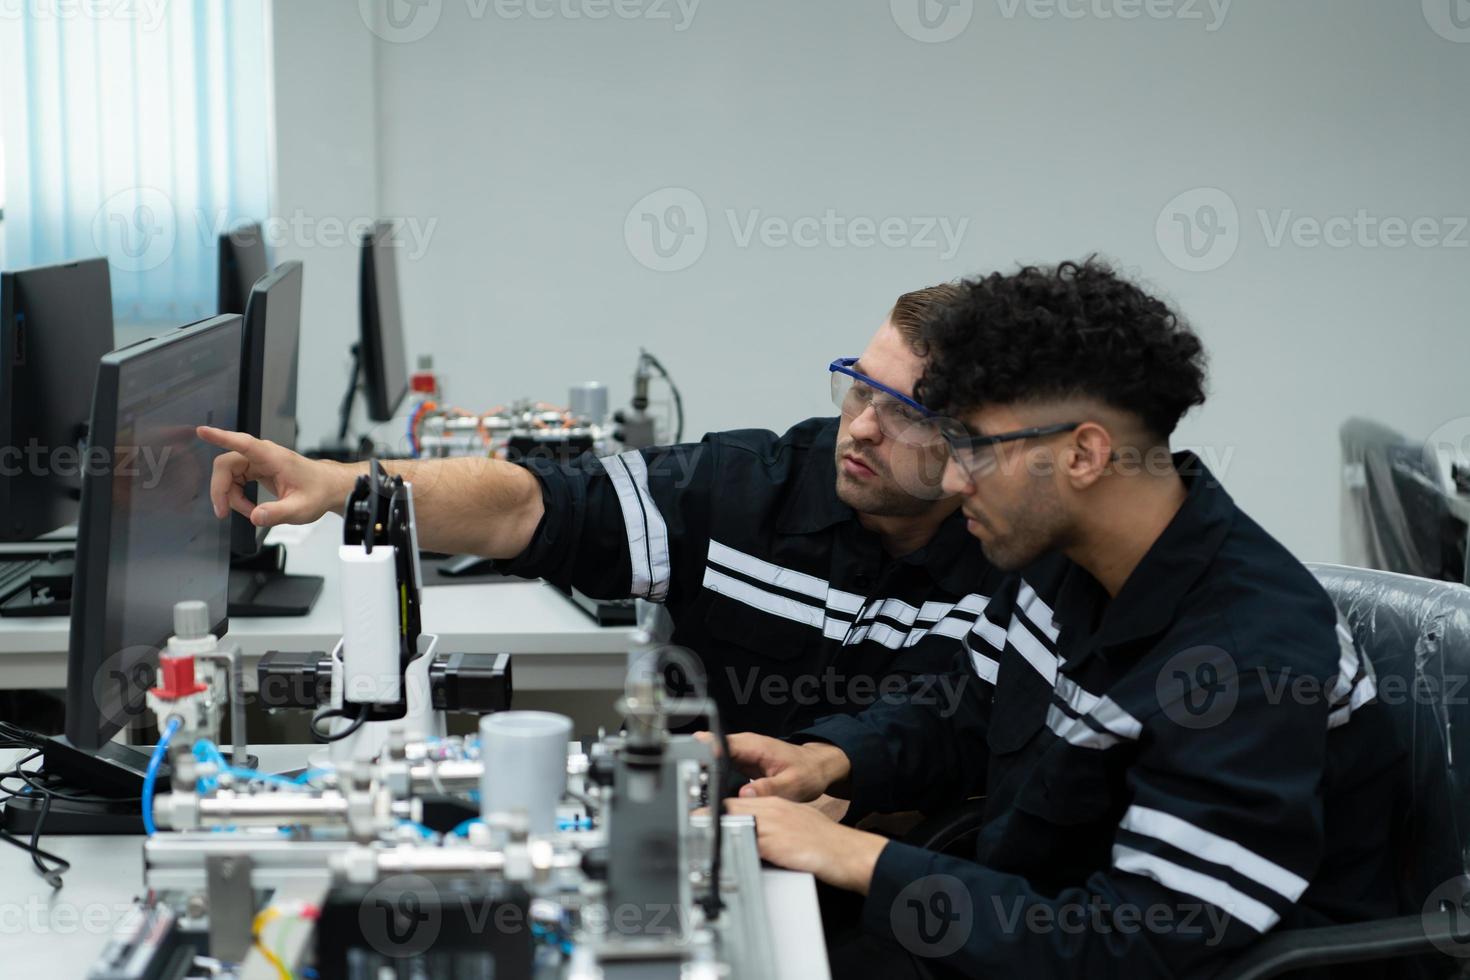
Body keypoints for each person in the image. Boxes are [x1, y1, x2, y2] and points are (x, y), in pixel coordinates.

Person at [718, 259, 1403, 978]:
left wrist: (860, 857)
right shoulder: (1065, 557)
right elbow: (966, 708)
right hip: (1033, 923)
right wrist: (831, 759)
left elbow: (1133, 947)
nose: (952, 480)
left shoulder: (1241, 663)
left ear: (1083, 453)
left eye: (975, 447)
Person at [199, 285, 1004, 736]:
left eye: (902, 410)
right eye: (858, 386)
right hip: (720, 847)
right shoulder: (743, 489)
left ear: (976, 439)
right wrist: (342, 486)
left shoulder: (1017, 554)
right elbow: (529, 506)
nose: (859, 426)